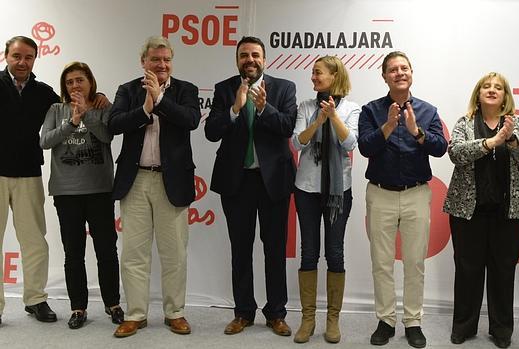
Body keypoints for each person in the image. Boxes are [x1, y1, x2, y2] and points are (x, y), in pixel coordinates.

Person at [1, 36, 106, 325]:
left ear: (35, 59)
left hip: (28, 173)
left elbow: (71, 102)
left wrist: (99, 100)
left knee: (35, 241)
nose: (22, 62)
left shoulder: (44, 93)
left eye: (28, 57)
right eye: (17, 56)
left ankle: (35, 300)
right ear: (6, 56)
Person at [205, 36, 297, 337]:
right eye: (244, 55)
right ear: (237, 60)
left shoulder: (284, 88)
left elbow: (286, 127)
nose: (250, 60)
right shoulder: (223, 89)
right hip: (237, 181)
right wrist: (235, 109)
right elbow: (211, 132)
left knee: (274, 250)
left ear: (264, 60)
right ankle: (243, 312)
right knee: (241, 250)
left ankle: (276, 313)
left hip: (273, 182)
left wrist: (263, 108)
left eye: (255, 55)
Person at [108, 36, 200, 337]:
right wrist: (145, 108)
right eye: (155, 60)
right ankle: (135, 314)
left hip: (171, 181)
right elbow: (114, 124)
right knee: (134, 253)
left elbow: (190, 120)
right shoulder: (127, 89)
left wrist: (159, 101)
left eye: (166, 60)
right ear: (143, 62)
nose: (161, 65)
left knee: (174, 252)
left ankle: (175, 312)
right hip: (135, 181)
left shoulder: (186, 90)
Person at [358, 51, 448, 348]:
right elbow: (365, 148)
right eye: (393, 69)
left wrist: (415, 131)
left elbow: (439, 148)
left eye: (404, 68)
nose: (399, 73)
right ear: (384, 76)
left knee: (414, 262)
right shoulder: (371, 110)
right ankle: (385, 320)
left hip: (416, 194)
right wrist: (387, 126)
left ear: (411, 73)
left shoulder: (427, 110)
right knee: (381, 262)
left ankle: (413, 321)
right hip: (380, 193)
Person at [443, 72, 519, 348]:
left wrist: (511, 141)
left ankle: (501, 330)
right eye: (487, 86)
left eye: (498, 87)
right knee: (467, 270)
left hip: (507, 213)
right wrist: (490, 142)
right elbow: (456, 153)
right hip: (468, 211)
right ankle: (463, 326)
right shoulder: (464, 123)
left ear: (506, 96)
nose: (492, 90)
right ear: (479, 93)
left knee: (502, 271)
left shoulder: (518, 124)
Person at [39, 61, 123, 329]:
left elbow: (107, 136)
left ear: (90, 83)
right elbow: (45, 141)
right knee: (73, 253)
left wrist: (86, 114)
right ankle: (78, 308)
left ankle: (113, 304)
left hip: (99, 190)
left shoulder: (102, 107)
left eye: (80, 80)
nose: (75, 85)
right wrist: (71, 122)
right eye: (70, 81)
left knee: (106, 250)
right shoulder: (56, 109)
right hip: (67, 192)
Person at [291, 56, 359, 344]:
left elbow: (350, 143)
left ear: (334, 76)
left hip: (337, 192)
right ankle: (308, 319)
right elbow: (297, 142)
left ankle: (333, 319)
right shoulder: (306, 107)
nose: (313, 78)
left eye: (318, 73)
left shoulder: (352, 108)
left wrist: (332, 117)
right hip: (306, 188)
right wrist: (318, 120)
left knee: (335, 253)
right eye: (313, 73)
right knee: (308, 252)